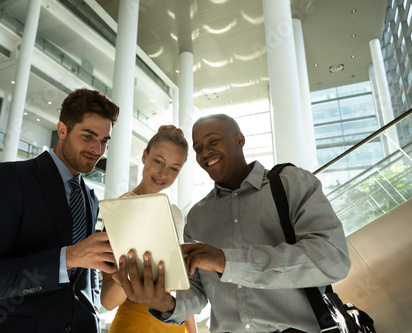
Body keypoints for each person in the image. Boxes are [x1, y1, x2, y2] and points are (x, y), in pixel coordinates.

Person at [117, 114, 352, 333]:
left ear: (240, 140)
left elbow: (333, 259)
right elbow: (196, 292)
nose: (205, 152)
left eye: (213, 141)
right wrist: (166, 304)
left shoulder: (292, 183)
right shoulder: (197, 216)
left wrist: (225, 260)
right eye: (198, 148)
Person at [0, 88, 120, 333]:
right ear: (62, 130)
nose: (97, 150)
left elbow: (85, 280)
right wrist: (68, 257)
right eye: (88, 136)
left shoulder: (90, 197)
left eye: (104, 141)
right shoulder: (9, 179)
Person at [101, 125, 198, 333]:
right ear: (144, 156)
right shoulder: (118, 212)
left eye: (174, 168)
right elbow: (108, 302)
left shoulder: (175, 214)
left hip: (174, 325)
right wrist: (129, 274)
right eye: (158, 161)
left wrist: (193, 332)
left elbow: (182, 288)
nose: (164, 173)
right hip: (133, 326)